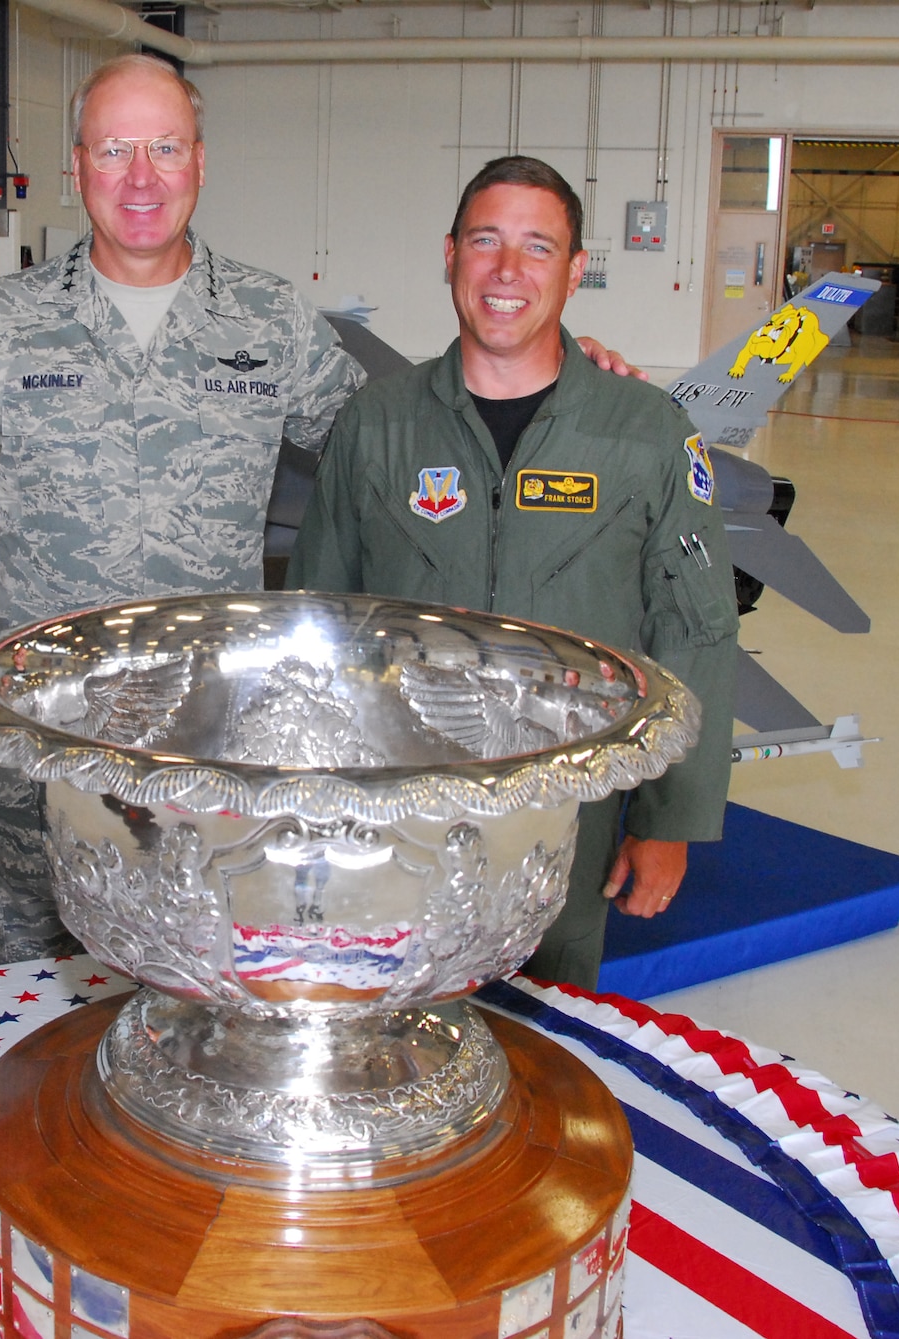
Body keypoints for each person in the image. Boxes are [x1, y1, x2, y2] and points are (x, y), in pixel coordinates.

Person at [0, 57, 647, 966]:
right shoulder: (2, 326)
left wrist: (552, 374)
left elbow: (396, 441)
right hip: (40, 774)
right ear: (78, 164)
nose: (140, 177)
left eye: (163, 148)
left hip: (207, 779)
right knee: (35, 1022)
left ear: (199, 164)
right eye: (116, 149)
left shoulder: (268, 323)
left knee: (198, 1016)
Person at [285, 156, 740, 991]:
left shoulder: (643, 432)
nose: (507, 270)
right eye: (486, 240)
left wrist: (671, 818)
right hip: (394, 811)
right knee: (384, 1021)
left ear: (573, 270)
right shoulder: (378, 425)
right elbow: (319, 616)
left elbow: (698, 628)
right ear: (451, 253)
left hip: (570, 813)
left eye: (538, 247)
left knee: (546, 1030)